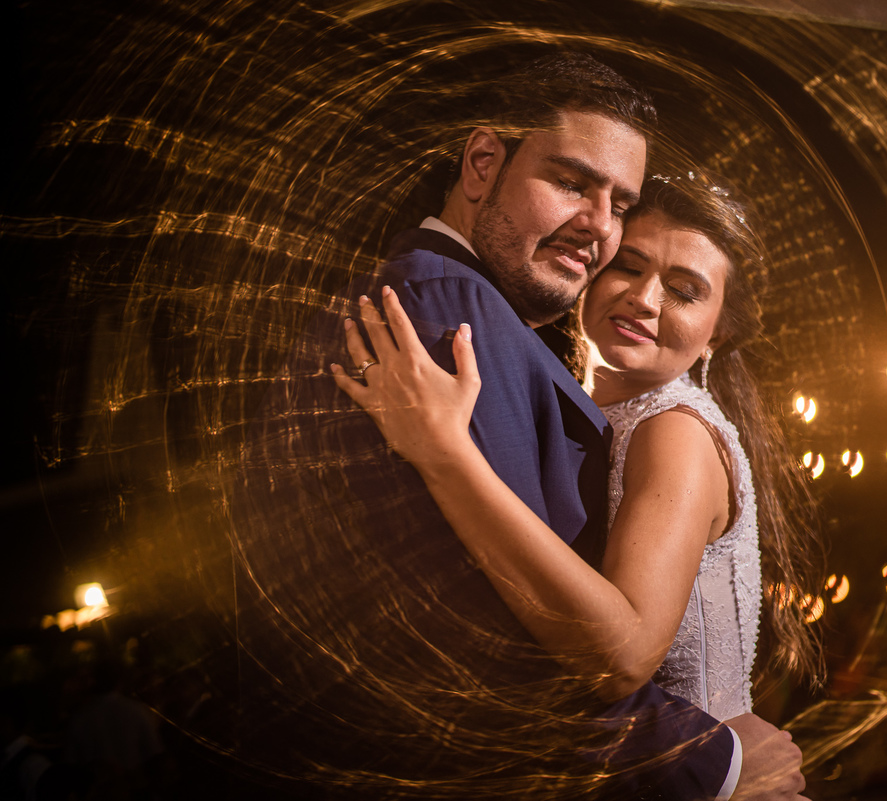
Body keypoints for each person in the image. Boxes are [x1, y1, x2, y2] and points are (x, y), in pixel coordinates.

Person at [235, 52, 803, 800]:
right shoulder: (449, 312)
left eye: (619, 204)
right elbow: (501, 639)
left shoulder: (660, 418)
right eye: (570, 182)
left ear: (718, 334)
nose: (598, 227)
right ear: (482, 165)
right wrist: (713, 764)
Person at [333, 175, 821, 793]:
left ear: (716, 333)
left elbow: (625, 655)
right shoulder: (603, 418)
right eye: (629, 267)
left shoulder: (673, 429)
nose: (644, 299)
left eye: (683, 291)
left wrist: (444, 450)